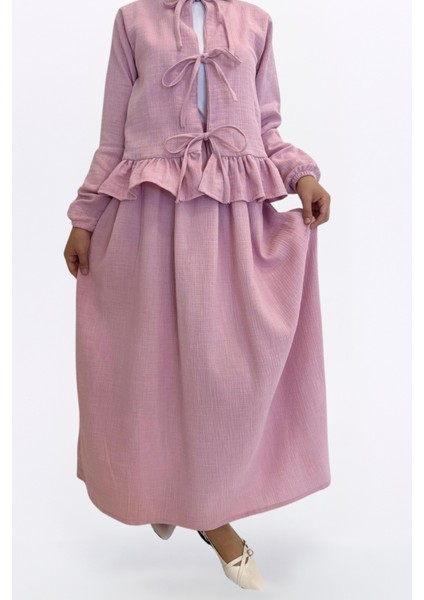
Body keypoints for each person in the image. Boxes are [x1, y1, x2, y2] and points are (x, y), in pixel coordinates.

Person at [63, 0, 331, 591]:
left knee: (221, 380)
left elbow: (267, 129)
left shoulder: (256, 24)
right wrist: (84, 219)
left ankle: (202, 507)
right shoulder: (133, 21)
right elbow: (112, 138)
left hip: (229, 226)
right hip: (147, 223)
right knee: (149, 372)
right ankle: (176, 496)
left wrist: (302, 175)